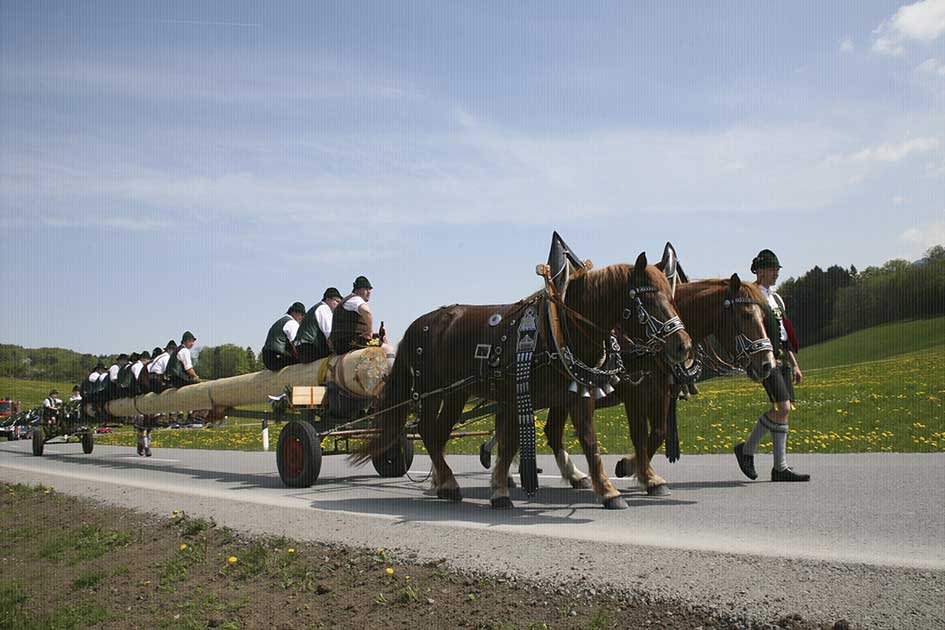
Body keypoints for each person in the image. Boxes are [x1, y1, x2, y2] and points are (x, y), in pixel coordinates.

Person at [734, 249, 809, 482]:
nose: (777, 273)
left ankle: (780, 468)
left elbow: (784, 334)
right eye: (773, 269)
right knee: (783, 408)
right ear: (761, 271)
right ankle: (746, 450)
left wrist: (795, 364)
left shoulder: (776, 298)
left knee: (783, 413)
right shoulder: (753, 294)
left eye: (777, 269)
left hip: (781, 359)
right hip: (765, 359)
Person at [330, 276, 396, 368]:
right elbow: (366, 311)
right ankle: (392, 379)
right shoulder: (355, 299)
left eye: (370, 289)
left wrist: (376, 335)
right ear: (358, 290)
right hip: (348, 342)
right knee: (388, 349)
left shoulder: (347, 301)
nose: (369, 292)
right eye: (366, 289)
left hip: (342, 342)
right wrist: (369, 332)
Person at [297, 288, 342, 362]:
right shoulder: (324, 308)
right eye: (336, 301)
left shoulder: (315, 308)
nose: (338, 305)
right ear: (327, 299)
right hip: (310, 348)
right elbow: (330, 334)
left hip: (302, 349)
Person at [262, 302, 306, 370]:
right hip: (278, 358)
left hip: (268, 360)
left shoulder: (279, 322)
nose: (302, 317)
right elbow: (296, 345)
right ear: (294, 312)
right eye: (302, 314)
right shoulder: (292, 323)